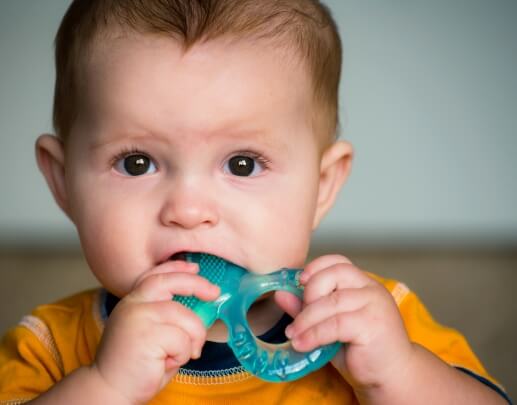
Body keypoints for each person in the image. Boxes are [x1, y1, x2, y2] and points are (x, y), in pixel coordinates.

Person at [0, 1, 511, 404]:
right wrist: (104, 388)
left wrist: (399, 376)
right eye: (137, 163)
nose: (189, 210)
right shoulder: (50, 347)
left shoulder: (373, 322)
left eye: (242, 164)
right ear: (63, 182)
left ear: (323, 185)